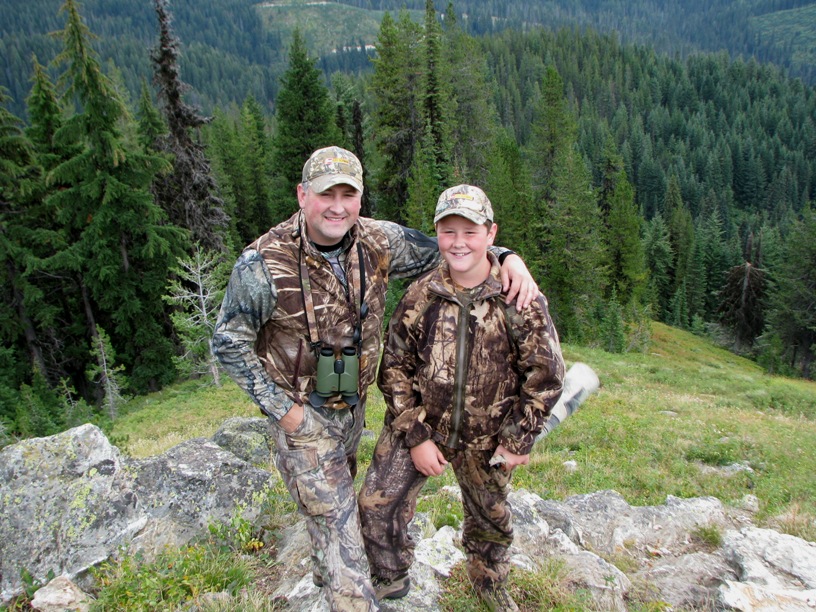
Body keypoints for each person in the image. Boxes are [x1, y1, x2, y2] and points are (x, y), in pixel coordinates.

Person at [211, 148, 540, 611]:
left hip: (351, 406)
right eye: (327, 194)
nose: (338, 206)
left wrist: (509, 258)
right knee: (340, 531)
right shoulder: (262, 263)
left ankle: (330, 567)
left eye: (349, 194)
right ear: (303, 196)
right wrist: (285, 413)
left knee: (336, 517)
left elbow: (451, 246)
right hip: (302, 419)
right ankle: (347, 592)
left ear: (360, 199)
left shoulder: (378, 241)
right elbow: (227, 341)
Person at [358, 184, 565, 611]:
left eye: (469, 231)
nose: (458, 242)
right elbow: (394, 367)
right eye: (448, 231)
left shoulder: (518, 299)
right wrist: (415, 436)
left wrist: (517, 440)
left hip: (487, 439)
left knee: (490, 524)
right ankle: (390, 579)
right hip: (423, 424)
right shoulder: (421, 294)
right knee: (376, 504)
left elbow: (545, 376)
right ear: (436, 234)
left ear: (491, 234)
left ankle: (488, 589)